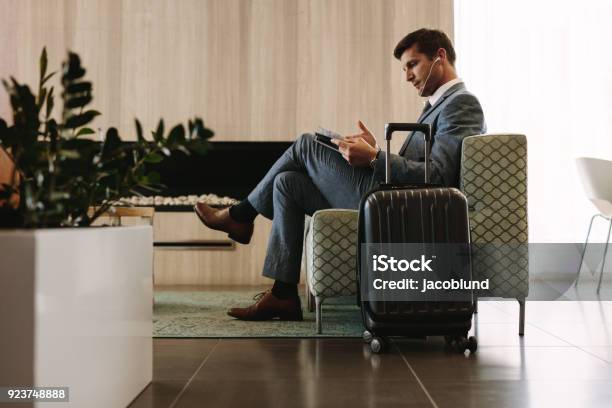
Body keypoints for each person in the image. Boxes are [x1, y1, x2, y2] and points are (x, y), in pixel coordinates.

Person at [194, 28, 486, 321]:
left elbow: (438, 178)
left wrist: (374, 158)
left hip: (395, 210)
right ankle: (283, 294)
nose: (407, 76)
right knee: (287, 183)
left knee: (306, 145)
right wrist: (373, 152)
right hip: (389, 198)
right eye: (405, 68)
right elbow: (421, 166)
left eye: (412, 64)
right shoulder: (437, 106)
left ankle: (241, 215)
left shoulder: (461, 104)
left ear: (440, 57)